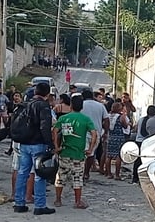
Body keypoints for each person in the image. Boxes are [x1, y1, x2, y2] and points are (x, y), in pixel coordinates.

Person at [13, 82, 56, 215]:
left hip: (24, 143)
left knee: (22, 172)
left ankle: (19, 203)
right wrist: (50, 144)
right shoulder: (43, 106)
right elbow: (44, 126)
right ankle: (40, 205)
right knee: (40, 174)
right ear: (47, 94)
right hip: (38, 144)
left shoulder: (26, 104)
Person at [53, 95, 97, 209]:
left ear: (71, 105)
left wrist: (56, 146)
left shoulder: (64, 118)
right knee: (77, 178)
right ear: (82, 107)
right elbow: (94, 133)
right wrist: (90, 149)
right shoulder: (86, 119)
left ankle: (58, 200)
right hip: (79, 154)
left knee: (61, 176)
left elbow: (55, 131)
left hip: (64, 152)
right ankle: (77, 202)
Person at [80, 89, 109, 180]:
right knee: (91, 153)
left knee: (81, 152)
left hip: (82, 131)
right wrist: (106, 132)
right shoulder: (100, 106)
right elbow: (106, 119)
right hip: (96, 133)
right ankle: (86, 172)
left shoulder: (81, 105)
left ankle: (80, 171)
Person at [131, 105, 155, 184]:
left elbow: (135, 129)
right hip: (147, 142)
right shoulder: (153, 120)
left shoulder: (141, 119)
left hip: (138, 141)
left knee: (137, 160)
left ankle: (135, 177)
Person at [105, 102, 129, 180]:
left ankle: (109, 174)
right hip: (119, 137)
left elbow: (105, 125)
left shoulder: (108, 116)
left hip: (111, 137)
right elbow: (125, 126)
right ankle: (117, 175)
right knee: (118, 156)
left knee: (109, 156)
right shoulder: (120, 117)